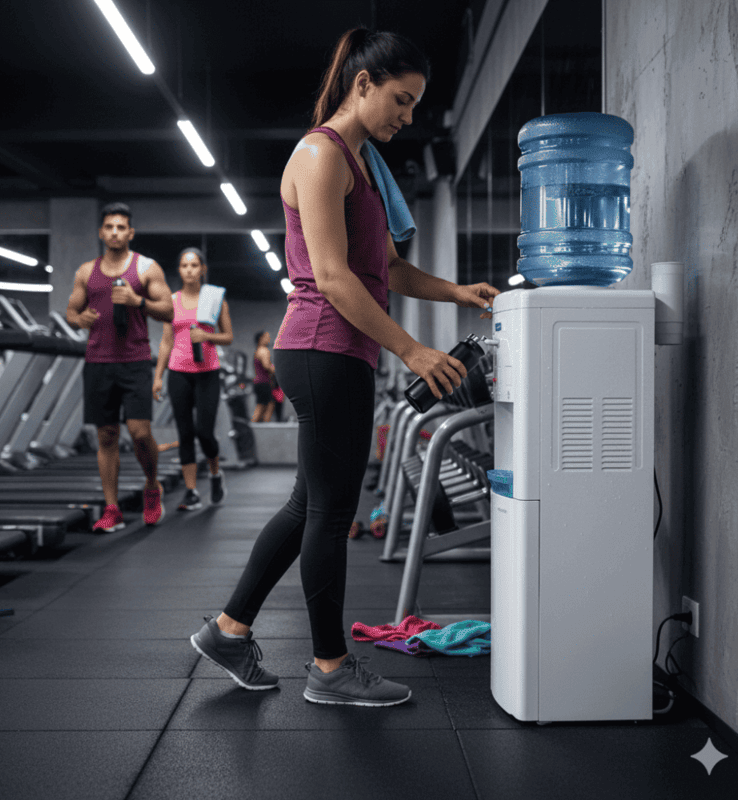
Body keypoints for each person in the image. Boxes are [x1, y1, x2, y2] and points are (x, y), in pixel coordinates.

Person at [190, 28, 499, 706]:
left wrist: (456, 292)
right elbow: (332, 277)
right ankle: (330, 667)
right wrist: (412, 349)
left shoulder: (360, 163)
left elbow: (387, 269)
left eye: (415, 105)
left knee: (310, 506)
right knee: (331, 514)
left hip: (335, 350)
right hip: (323, 347)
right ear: (363, 84)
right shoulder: (321, 155)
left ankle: (229, 630)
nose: (407, 117)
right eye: (401, 100)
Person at [66, 202, 174, 530]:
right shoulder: (86, 272)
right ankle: (112, 508)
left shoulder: (146, 268)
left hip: (135, 361)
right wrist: (79, 319)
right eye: (109, 227)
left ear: (130, 233)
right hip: (98, 362)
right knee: (106, 435)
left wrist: (137, 301)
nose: (115, 232)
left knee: (140, 433)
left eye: (121, 227)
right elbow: (71, 311)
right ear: (101, 232)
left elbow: (169, 311)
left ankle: (152, 486)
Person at [153, 247, 233, 510]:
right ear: (179, 270)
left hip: (207, 372)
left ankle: (215, 473)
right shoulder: (171, 301)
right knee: (185, 433)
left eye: (194, 265)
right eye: (184, 266)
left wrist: (208, 336)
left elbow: (228, 337)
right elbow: (166, 341)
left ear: (202, 269)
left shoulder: (215, 299)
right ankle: (191, 492)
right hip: (178, 372)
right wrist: (158, 376)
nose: (189, 270)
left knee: (205, 432)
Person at [251, 331, 276, 422]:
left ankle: (260, 425)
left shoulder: (258, 350)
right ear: (261, 338)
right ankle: (263, 425)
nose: (269, 339)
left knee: (263, 405)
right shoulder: (264, 350)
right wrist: (277, 371)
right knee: (266, 405)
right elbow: (267, 366)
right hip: (263, 382)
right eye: (267, 337)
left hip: (259, 382)